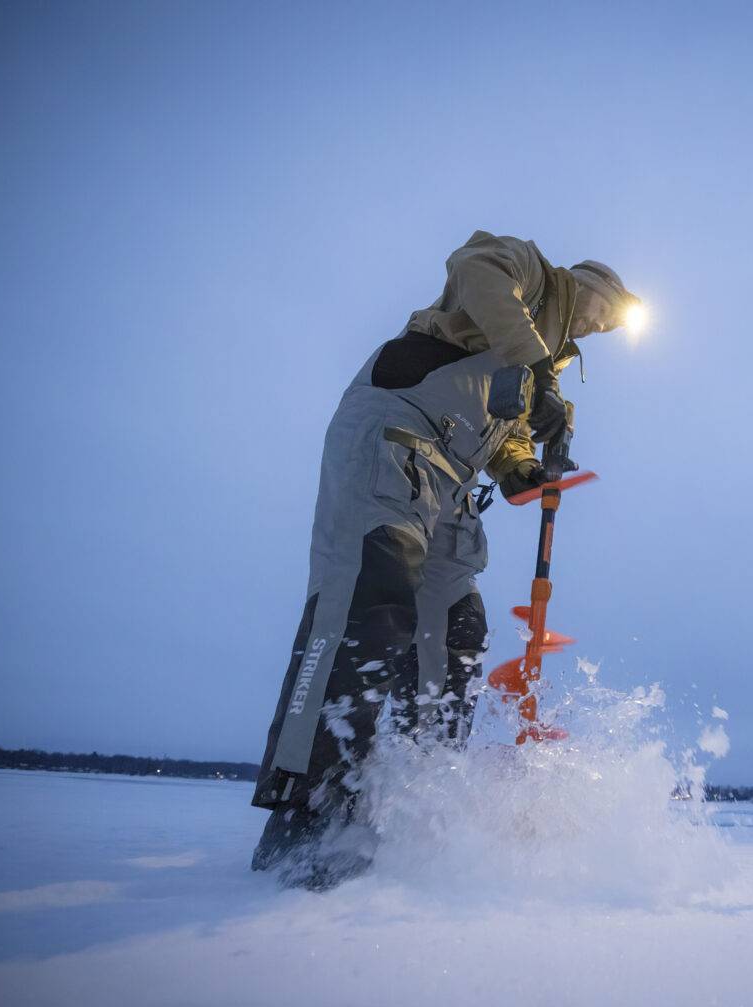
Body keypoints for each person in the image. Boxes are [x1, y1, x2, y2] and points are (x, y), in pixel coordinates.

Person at [250, 231, 638, 888]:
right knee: (368, 606)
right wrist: (534, 368)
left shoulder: (536, 364)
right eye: (611, 309)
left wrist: (524, 469)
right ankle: (309, 814)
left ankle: (418, 806)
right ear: (590, 285)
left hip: (450, 483)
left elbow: (504, 440)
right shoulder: (527, 274)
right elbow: (472, 267)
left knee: (455, 631)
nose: (606, 325)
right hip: (394, 436)